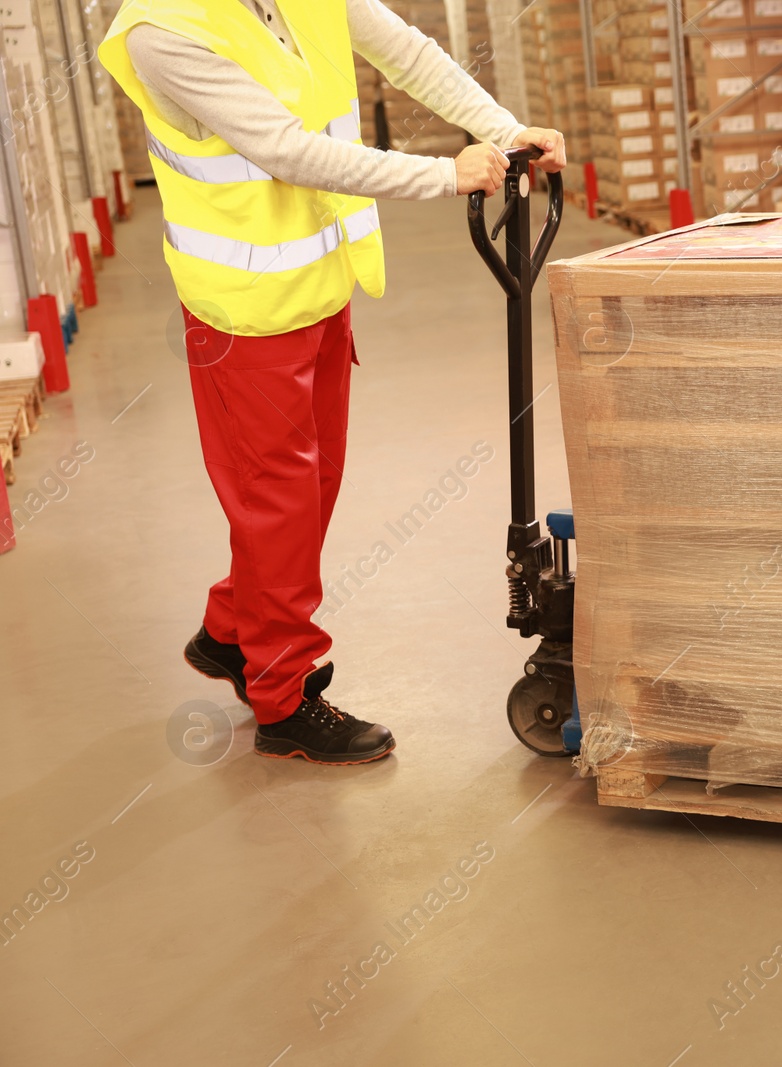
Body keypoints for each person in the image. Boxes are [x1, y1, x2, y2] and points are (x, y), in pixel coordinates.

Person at [98, 0, 565, 765]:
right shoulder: (163, 33)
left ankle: (229, 629)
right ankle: (284, 698)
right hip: (243, 314)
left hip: (318, 285)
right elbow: (287, 151)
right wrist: (442, 174)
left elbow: (406, 52)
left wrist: (503, 129)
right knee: (277, 498)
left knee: (308, 491)